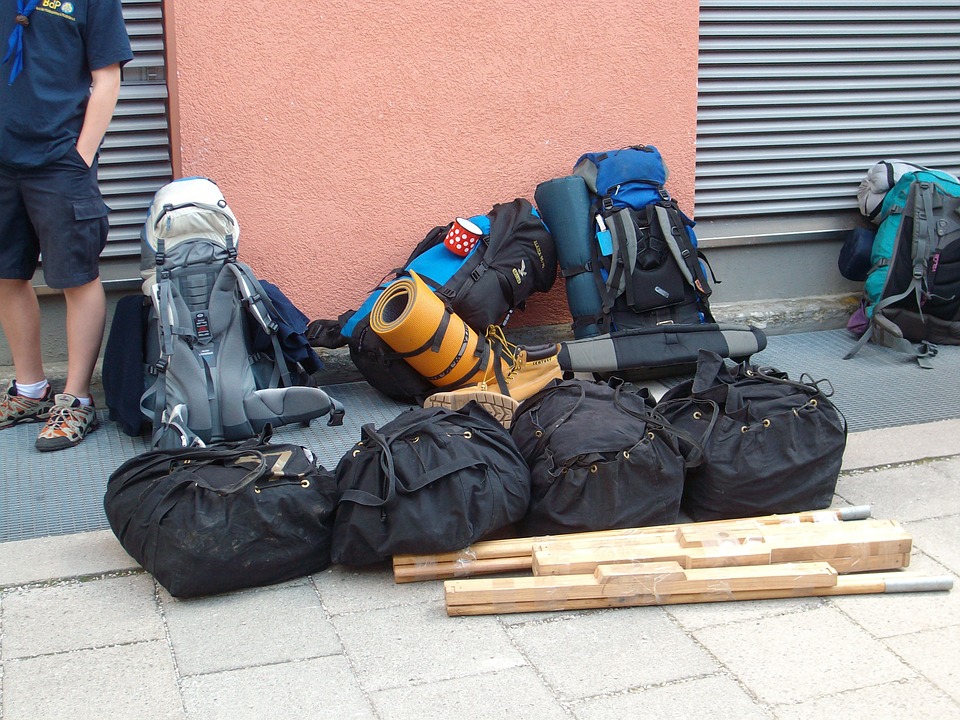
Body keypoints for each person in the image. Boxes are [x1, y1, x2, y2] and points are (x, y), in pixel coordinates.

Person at [0, 0, 133, 451]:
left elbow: (107, 75)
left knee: (77, 276)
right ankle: (30, 390)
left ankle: (76, 400)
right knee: (6, 274)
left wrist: (80, 157)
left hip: (60, 162)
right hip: (2, 162)